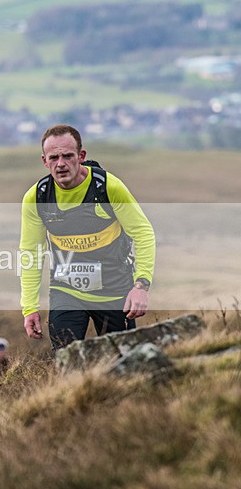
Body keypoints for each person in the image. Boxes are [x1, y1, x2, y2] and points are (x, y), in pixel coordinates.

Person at [20, 124, 155, 350]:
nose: (60, 164)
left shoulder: (108, 187)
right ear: (44, 161)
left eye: (67, 156)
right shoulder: (38, 197)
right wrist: (29, 308)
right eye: (53, 158)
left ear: (81, 156)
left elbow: (143, 233)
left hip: (114, 291)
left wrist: (141, 286)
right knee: (66, 358)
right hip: (66, 291)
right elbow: (30, 253)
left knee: (122, 359)